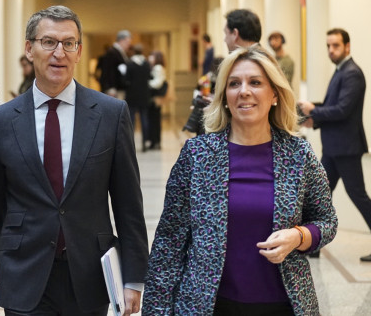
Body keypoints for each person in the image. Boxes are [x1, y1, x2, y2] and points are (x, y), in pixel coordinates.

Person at [0, 5, 148, 316]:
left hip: (90, 277)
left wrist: (134, 278)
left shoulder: (110, 114)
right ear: (30, 49)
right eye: (49, 42)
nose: (59, 53)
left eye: (69, 43)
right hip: (24, 274)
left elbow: (128, 205)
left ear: (79, 52)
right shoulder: (1, 121)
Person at [143, 45, 337, 315]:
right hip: (209, 306)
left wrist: (299, 235)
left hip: (284, 305)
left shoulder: (298, 154)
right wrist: (156, 310)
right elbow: (169, 241)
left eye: (255, 82)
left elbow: (326, 221)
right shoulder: (197, 155)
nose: (244, 91)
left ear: (274, 95)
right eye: (234, 84)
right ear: (224, 96)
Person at [298, 28, 371, 261]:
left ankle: (314, 244)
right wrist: (314, 118)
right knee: (320, 195)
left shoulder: (352, 73)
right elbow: (335, 107)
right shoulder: (341, 71)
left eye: (336, 46)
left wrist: (314, 111)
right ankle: (315, 244)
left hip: (346, 148)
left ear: (347, 47)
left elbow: (342, 110)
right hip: (334, 148)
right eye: (328, 46)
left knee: (357, 195)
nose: (331, 50)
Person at [124, 43, 152, 151]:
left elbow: (126, 79)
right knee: (144, 118)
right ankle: (145, 143)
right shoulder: (146, 63)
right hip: (144, 95)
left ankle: (131, 144)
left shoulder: (130, 63)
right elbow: (149, 77)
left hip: (132, 95)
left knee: (131, 121)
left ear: (134, 52)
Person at [98, 29, 132, 98]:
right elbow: (108, 71)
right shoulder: (112, 52)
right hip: (114, 90)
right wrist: (111, 88)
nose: (129, 45)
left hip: (119, 88)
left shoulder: (120, 52)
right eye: (128, 42)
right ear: (122, 41)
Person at [147, 50, 168, 150]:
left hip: (155, 98)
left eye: (152, 56)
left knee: (154, 120)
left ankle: (155, 142)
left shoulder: (157, 67)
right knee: (154, 120)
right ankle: (155, 141)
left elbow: (158, 83)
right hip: (155, 98)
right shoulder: (158, 67)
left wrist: (146, 83)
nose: (150, 58)